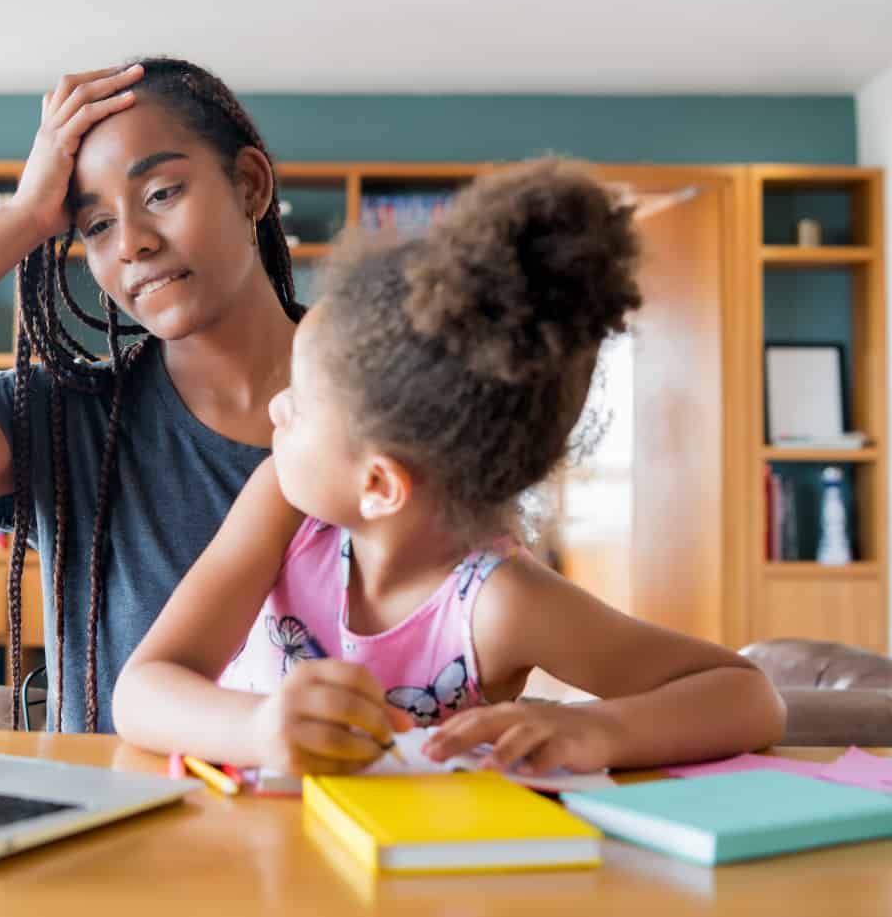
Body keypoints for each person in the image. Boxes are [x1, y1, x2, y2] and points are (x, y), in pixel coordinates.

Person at [113, 162, 787, 775]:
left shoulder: (499, 602)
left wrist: (597, 727)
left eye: (302, 402)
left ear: (379, 484)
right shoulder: (282, 508)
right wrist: (259, 728)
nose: (278, 407)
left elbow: (748, 695)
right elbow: (142, 690)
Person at [0, 58, 304, 732]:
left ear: (249, 184)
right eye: (96, 224)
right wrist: (19, 220)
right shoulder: (61, 412)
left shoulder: (389, 396)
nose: (132, 241)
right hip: (118, 825)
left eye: (161, 192)